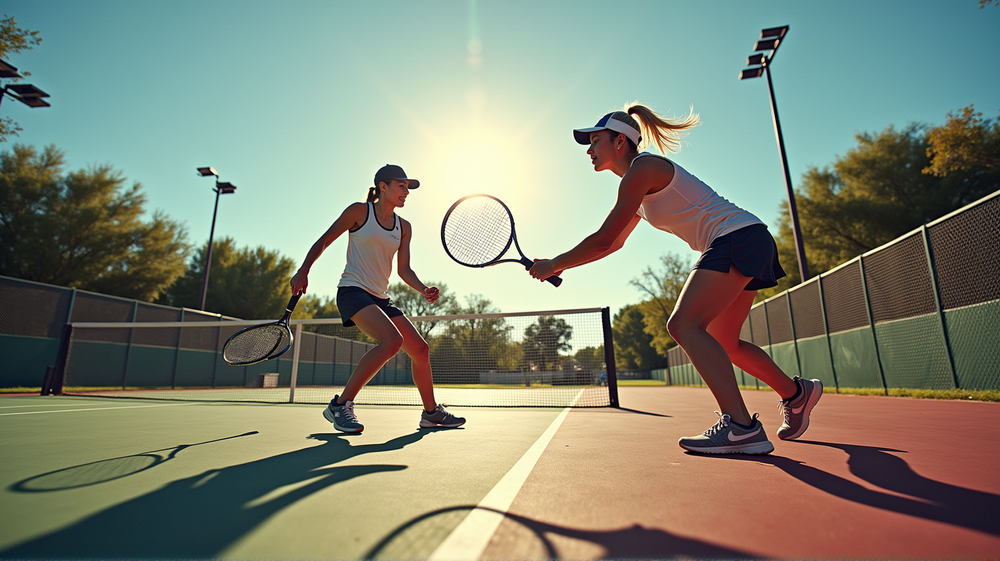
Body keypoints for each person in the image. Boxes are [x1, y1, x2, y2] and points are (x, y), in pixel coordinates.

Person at [529, 104, 821, 455]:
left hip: (735, 238)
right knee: (724, 342)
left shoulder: (644, 168)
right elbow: (614, 244)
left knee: (683, 325)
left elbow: (605, 238)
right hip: (749, 237)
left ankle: (742, 427)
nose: (589, 150)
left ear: (620, 141)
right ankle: (796, 393)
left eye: (595, 141)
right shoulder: (636, 187)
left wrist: (556, 263)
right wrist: (559, 266)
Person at [290, 164, 465, 434]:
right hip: (353, 290)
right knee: (392, 341)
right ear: (383, 186)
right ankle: (341, 404)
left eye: (408, 188)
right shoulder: (359, 212)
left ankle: (431, 414)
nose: (406, 192)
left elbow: (403, 270)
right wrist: (303, 271)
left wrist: (422, 289)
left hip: (380, 298)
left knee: (420, 350)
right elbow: (325, 240)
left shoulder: (404, 227)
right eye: (401, 186)